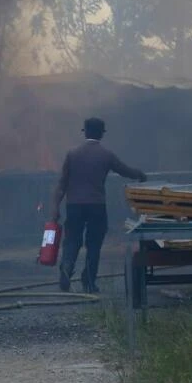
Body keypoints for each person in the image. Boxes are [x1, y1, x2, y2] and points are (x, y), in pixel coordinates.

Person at [50, 117, 146, 294]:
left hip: (74, 206)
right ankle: (89, 282)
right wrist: (139, 174)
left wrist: (55, 208)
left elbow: (62, 184)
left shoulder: (72, 154)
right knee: (94, 245)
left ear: (85, 132)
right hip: (96, 206)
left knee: (72, 240)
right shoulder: (106, 155)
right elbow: (124, 170)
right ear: (102, 134)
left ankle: (67, 267)